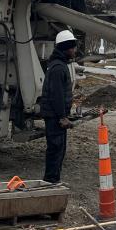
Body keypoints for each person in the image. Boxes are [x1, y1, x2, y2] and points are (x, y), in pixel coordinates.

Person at [41, 29, 78, 183]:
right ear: (66, 48)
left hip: (55, 116)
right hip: (55, 117)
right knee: (55, 149)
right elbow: (57, 95)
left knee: (58, 150)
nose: (75, 50)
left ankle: (54, 179)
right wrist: (62, 117)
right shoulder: (58, 68)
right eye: (73, 47)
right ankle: (51, 181)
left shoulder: (58, 65)